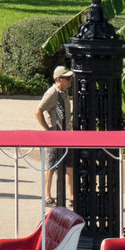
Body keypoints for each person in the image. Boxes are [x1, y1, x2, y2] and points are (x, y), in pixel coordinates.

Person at [35, 66, 76, 205]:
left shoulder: (63, 92)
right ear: (59, 79)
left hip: (66, 133)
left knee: (69, 165)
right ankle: (47, 196)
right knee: (51, 165)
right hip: (55, 132)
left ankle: (72, 196)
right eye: (68, 78)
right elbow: (38, 111)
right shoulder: (52, 93)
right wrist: (48, 129)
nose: (70, 80)